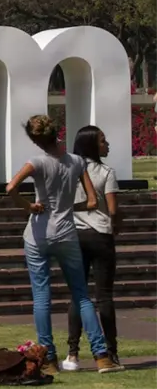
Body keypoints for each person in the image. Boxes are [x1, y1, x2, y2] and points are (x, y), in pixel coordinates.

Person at [5, 115, 122, 374]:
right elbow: (93, 202)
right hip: (67, 232)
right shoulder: (77, 162)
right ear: (57, 133)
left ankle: (47, 359)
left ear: (36, 140)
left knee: (41, 298)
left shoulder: (36, 162)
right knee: (81, 295)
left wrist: (30, 206)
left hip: (37, 234)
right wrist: (69, 207)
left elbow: (11, 187)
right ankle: (101, 355)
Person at [62, 126, 124, 372]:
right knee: (105, 296)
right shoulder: (106, 172)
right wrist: (115, 227)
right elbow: (112, 209)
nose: (107, 145)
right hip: (100, 235)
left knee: (78, 295)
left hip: (74, 236)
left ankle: (73, 353)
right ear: (91, 145)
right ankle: (111, 353)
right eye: (102, 141)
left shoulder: (68, 170)